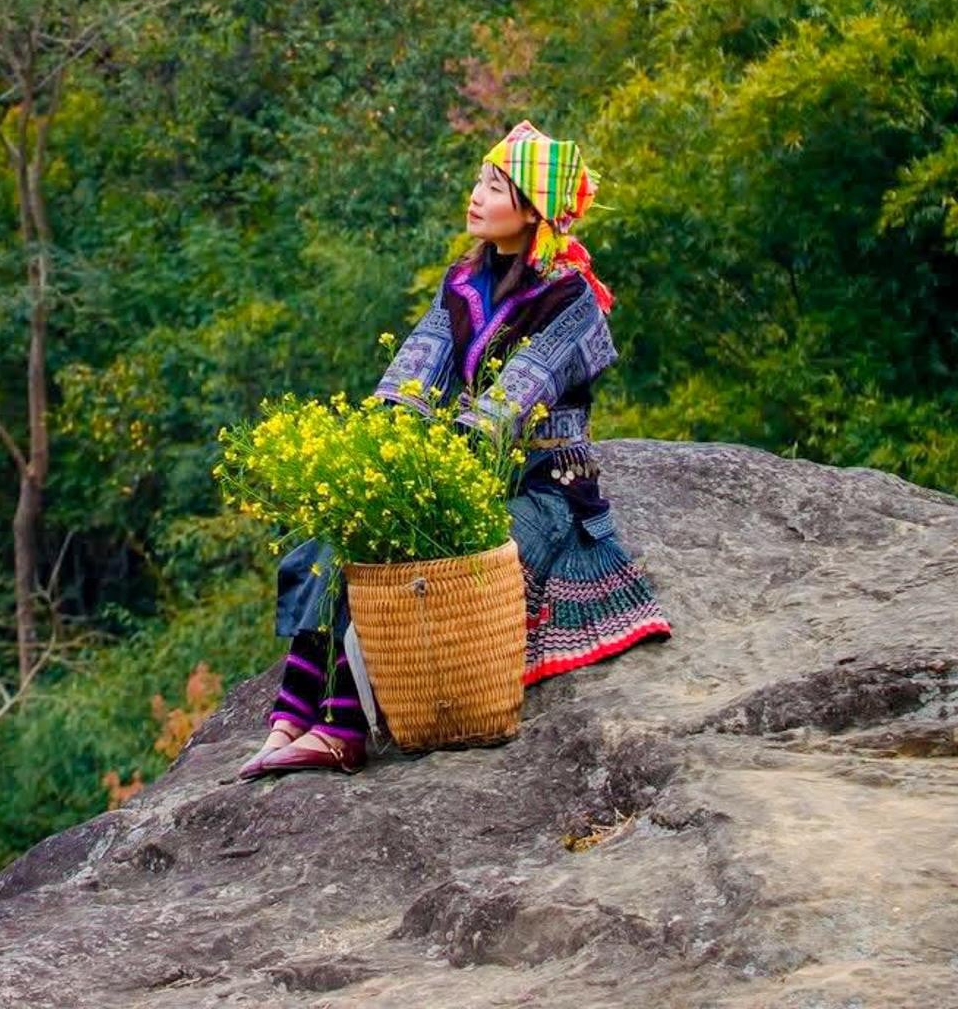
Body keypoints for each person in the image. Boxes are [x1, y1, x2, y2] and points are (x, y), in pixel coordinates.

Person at [238, 120, 674, 778]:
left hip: (541, 485)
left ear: (531, 211)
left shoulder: (571, 297)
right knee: (342, 533)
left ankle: (343, 726)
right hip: (464, 471)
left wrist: (428, 479)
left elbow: (510, 404)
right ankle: (290, 716)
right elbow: (412, 378)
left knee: (415, 554)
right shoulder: (463, 282)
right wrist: (373, 459)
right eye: (479, 179)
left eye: (494, 186)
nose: (474, 195)